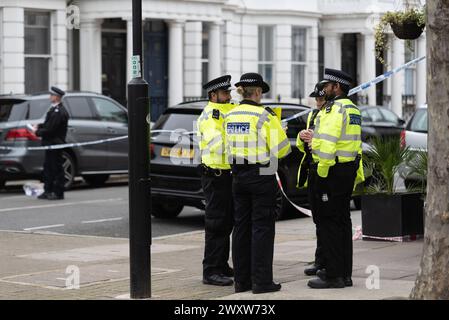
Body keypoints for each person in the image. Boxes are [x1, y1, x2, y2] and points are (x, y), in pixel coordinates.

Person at [224, 73, 291, 294]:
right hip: (261, 175)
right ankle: (261, 282)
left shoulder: (230, 115)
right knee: (262, 228)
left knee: (241, 228)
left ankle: (241, 282)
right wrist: (282, 131)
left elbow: (225, 148)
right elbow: (282, 149)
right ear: (258, 92)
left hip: (238, 176)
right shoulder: (264, 116)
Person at [306, 69, 364, 289]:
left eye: (328, 85)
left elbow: (328, 145)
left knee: (329, 223)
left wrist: (321, 174)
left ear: (336, 87)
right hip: (347, 170)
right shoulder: (353, 108)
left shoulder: (334, 109)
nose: (324, 89)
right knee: (342, 222)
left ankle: (332, 276)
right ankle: (344, 274)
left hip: (331, 172)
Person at [197, 75, 235, 286]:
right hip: (215, 176)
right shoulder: (211, 116)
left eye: (229, 92)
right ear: (214, 95)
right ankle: (211, 270)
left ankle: (221, 264)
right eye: (225, 93)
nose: (229, 96)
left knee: (226, 223)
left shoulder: (226, 111)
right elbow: (217, 145)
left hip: (227, 175)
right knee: (216, 224)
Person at [296, 82, 327, 277]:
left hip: (326, 170)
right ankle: (319, 260)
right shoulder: (313, 115)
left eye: (321, 98)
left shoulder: (332, 114)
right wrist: (301, 137)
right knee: (317, 219)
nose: (317, 102)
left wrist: (315, 138)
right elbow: (303, 146)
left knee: (326, 219)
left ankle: (325, 262)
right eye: (316, 98)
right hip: (313, 169)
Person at [35, 87, 69, 200]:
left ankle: (58, 192)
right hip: (50, 144)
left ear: (57, 97)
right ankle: (48, 190)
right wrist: (39, 126)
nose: (50, 97)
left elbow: (51, 129)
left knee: (56, 169)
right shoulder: (53, 109)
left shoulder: (59, 111)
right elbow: (47, 124)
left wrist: (37, 132)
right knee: (48, 168)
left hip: (55, 144)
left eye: (52, 95)